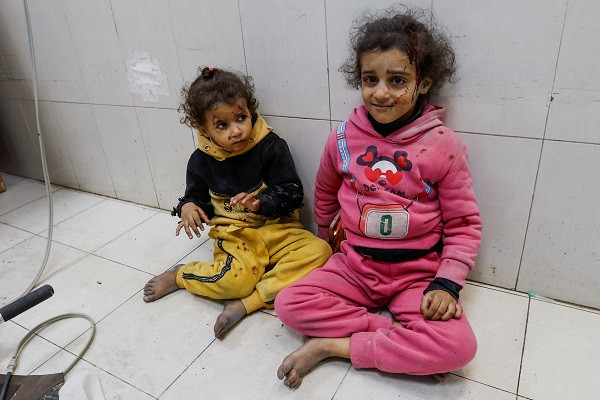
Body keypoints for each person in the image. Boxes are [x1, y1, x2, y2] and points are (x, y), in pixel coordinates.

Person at [274, 6, 482, 388]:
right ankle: (389, 335)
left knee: (458, 348)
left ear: (423, 84)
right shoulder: (342, 139)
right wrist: (326, 235)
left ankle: (334, 346)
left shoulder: (444, 146)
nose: (381, 92)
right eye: (371, 79)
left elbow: (464, 223)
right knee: (288, 305)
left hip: (417, 274)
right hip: (356, 266)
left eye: (397, 80)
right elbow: (324, 191)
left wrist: (447, 283)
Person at [143, 67, 331, 339]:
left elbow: (292, 191)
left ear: (250, 112)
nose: (236, 131)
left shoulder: (271, 146)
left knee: (320, 251)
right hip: (235, 236)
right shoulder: (200, 161)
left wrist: (261, 202)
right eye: (222, 125)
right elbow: (197, 198)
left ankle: (249, 303)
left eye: (241, 118)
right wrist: (188, 207)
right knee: (235, 281)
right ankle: (181, 276)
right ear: (204, 130)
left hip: (278, 230)